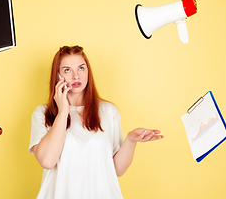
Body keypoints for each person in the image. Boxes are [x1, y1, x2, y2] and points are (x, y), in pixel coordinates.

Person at [29, 45, 163, 199]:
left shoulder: (108, 111)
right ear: (57, 76)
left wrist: (131, 140)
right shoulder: (43, 114)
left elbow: (116, 170)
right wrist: (63, 111)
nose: (76, 76)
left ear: (88, 71)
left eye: (81, 68)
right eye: (67, 70)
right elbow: (47, 161)